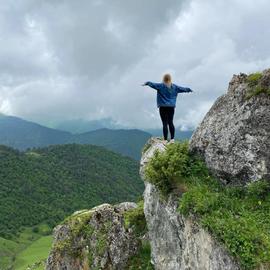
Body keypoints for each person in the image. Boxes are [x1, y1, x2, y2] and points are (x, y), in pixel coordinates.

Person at [142, 74, 193, 143]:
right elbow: (183, 89)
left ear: (163, 79)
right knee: (171, 122)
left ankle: (165, 140)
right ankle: (172, 139)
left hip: (163, 107)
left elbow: (152, 84)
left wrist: (147, 83)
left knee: (165, 123)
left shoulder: (160, 86)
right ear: (170, 79)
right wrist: (189, 90)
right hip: (171, 107)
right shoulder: (175, 87)